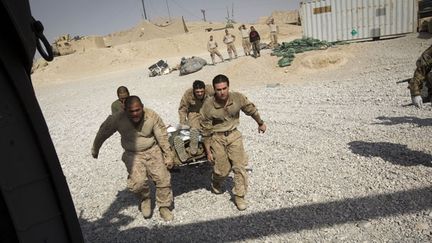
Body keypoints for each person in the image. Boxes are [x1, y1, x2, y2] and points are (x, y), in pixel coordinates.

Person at [91, 96, 175, 221]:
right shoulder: (117, 119)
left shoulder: (151, 116)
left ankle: (164, 206)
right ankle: (145, 198)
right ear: (125, 109)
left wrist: (168, 155)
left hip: (153, 150)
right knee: (137, 184)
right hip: (132, 153)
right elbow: (103, 132)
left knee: (163, 178)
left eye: (138, 110)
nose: (135, 113)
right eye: (131, 111)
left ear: (142, 107)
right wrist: (95, 148)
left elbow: (162, 135)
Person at [200, 74, 267, 211]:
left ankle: (239, 196)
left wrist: (260, 123)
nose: (222, 92)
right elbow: (206, 131)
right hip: (216, 138)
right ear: (214, 90)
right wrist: (208, 152)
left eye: (224, 88)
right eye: (218, 89)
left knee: (239, 167)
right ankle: (216, 181)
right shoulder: (208, 105)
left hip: (234, 135)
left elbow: (251, 110)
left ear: (228, 87)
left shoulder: (237, 98)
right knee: (222, 171)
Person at [176, 80, 214, 162]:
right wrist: (182, 123)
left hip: (207, 112)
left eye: (201, 91)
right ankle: (193, 146)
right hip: (194, 113)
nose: (200, 93)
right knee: (195, 129)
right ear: (194, 91)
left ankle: (201, 147)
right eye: (197, 92)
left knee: (211, 129)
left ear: (205, 90)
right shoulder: (188, 94)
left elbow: (221, 95)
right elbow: (182, 109)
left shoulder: (211, 89)